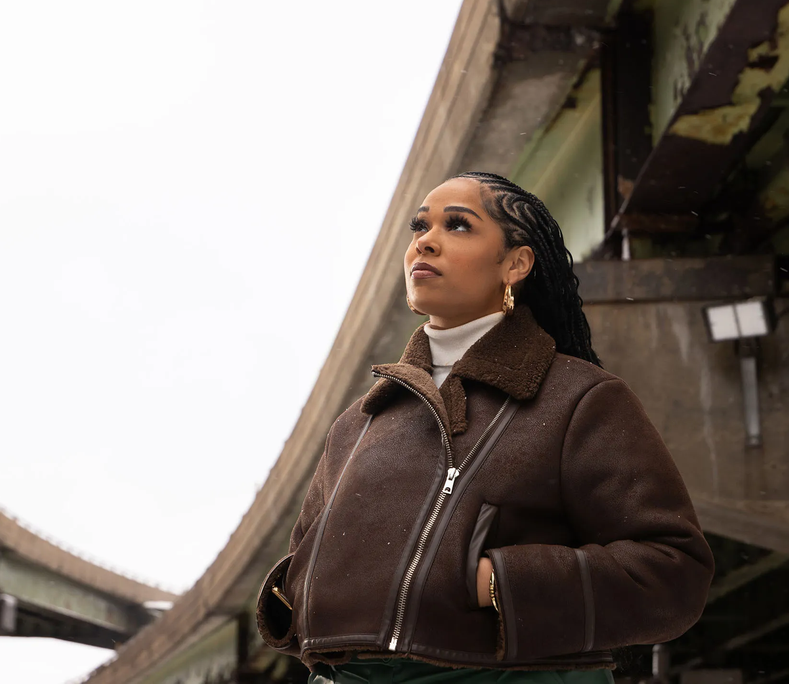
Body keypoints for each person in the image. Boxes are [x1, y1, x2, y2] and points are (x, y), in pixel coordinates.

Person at [256, 172, 714, 684]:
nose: (425, 242)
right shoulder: (358, 423)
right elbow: (303, 559)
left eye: (458, 225)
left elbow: (673, 572)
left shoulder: (581, 398)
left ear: (516, 264)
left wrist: (500, 582)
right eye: (419, 227)